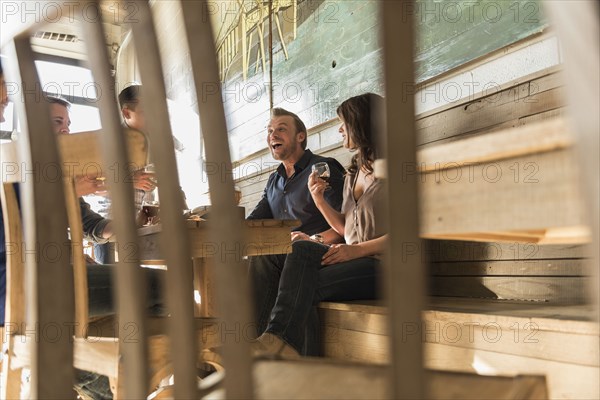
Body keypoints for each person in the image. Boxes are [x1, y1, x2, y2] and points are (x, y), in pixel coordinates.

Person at [252, 93, 387, 357]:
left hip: (385, 265)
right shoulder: (353, 174)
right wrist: (318, 199)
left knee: (301, 284)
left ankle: (284, 349)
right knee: (290, 254)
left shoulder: (396, 170)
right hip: (351, 260)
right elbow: (344, 229)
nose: (339, 129)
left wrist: (356, 250)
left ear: (363, 123)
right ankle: (263, 342)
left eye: (344, 123)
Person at [245, 108, 345, 353]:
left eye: (281, 129)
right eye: (269, 131)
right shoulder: (274, 180)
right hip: (286, 257)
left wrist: (313, 239)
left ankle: (263, 347)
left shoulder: (323, 167)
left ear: (300, 136)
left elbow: (346, 226)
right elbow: (254, 221)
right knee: (259, 258)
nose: (272, 135)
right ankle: (254, 344)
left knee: (288, 267)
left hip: (325, 251)